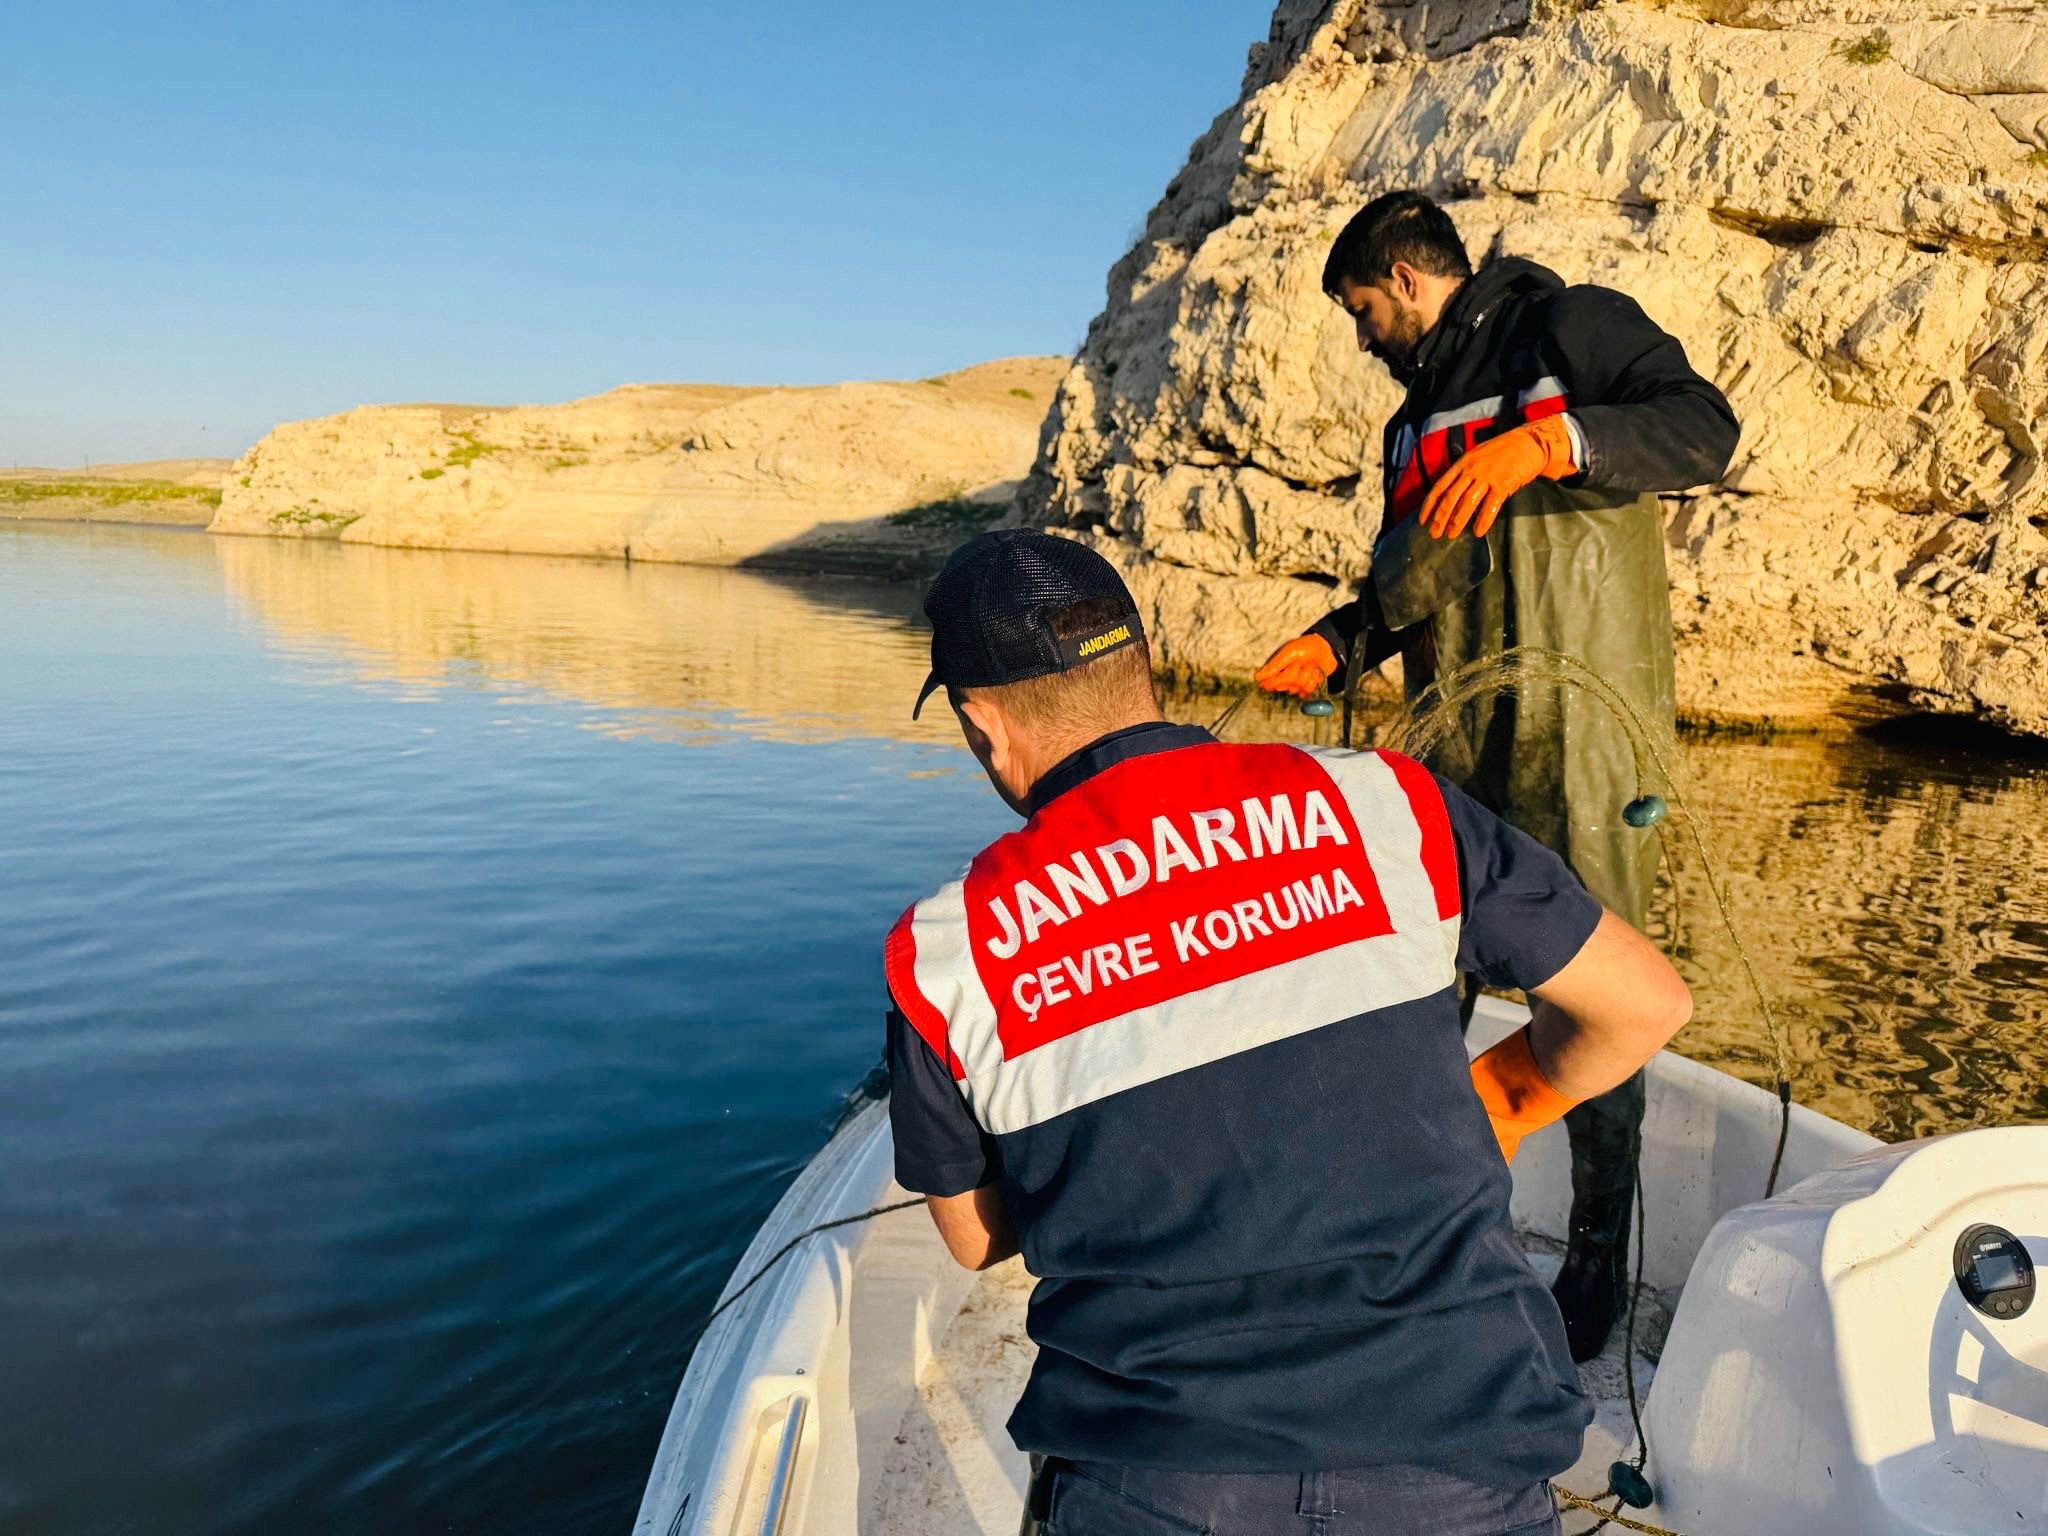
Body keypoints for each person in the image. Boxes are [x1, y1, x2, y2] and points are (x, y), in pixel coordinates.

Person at [885, 529, 1693, 1536]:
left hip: (1158, 1477)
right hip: (1456, 1454)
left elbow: (973, 1238)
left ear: (981, 724)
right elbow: (1643, 1004)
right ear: (1144, 664)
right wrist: (1503, 1099)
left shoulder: (944, 950)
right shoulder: (1385, 803)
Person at [1255, 191, 1739, 1361]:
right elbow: (1403, 583)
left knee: (1590, 993)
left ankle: (1591, 1266)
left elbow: (1702, 430)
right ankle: (1426, 1224)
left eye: (1364, 310)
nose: (1364, 337)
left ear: (1407, 281)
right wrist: (1340, 637)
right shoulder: (1407, 429)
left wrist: (1549, 441)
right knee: (1423, 985)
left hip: (1584, 737)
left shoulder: (1568, 330)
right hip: (1456, 743)